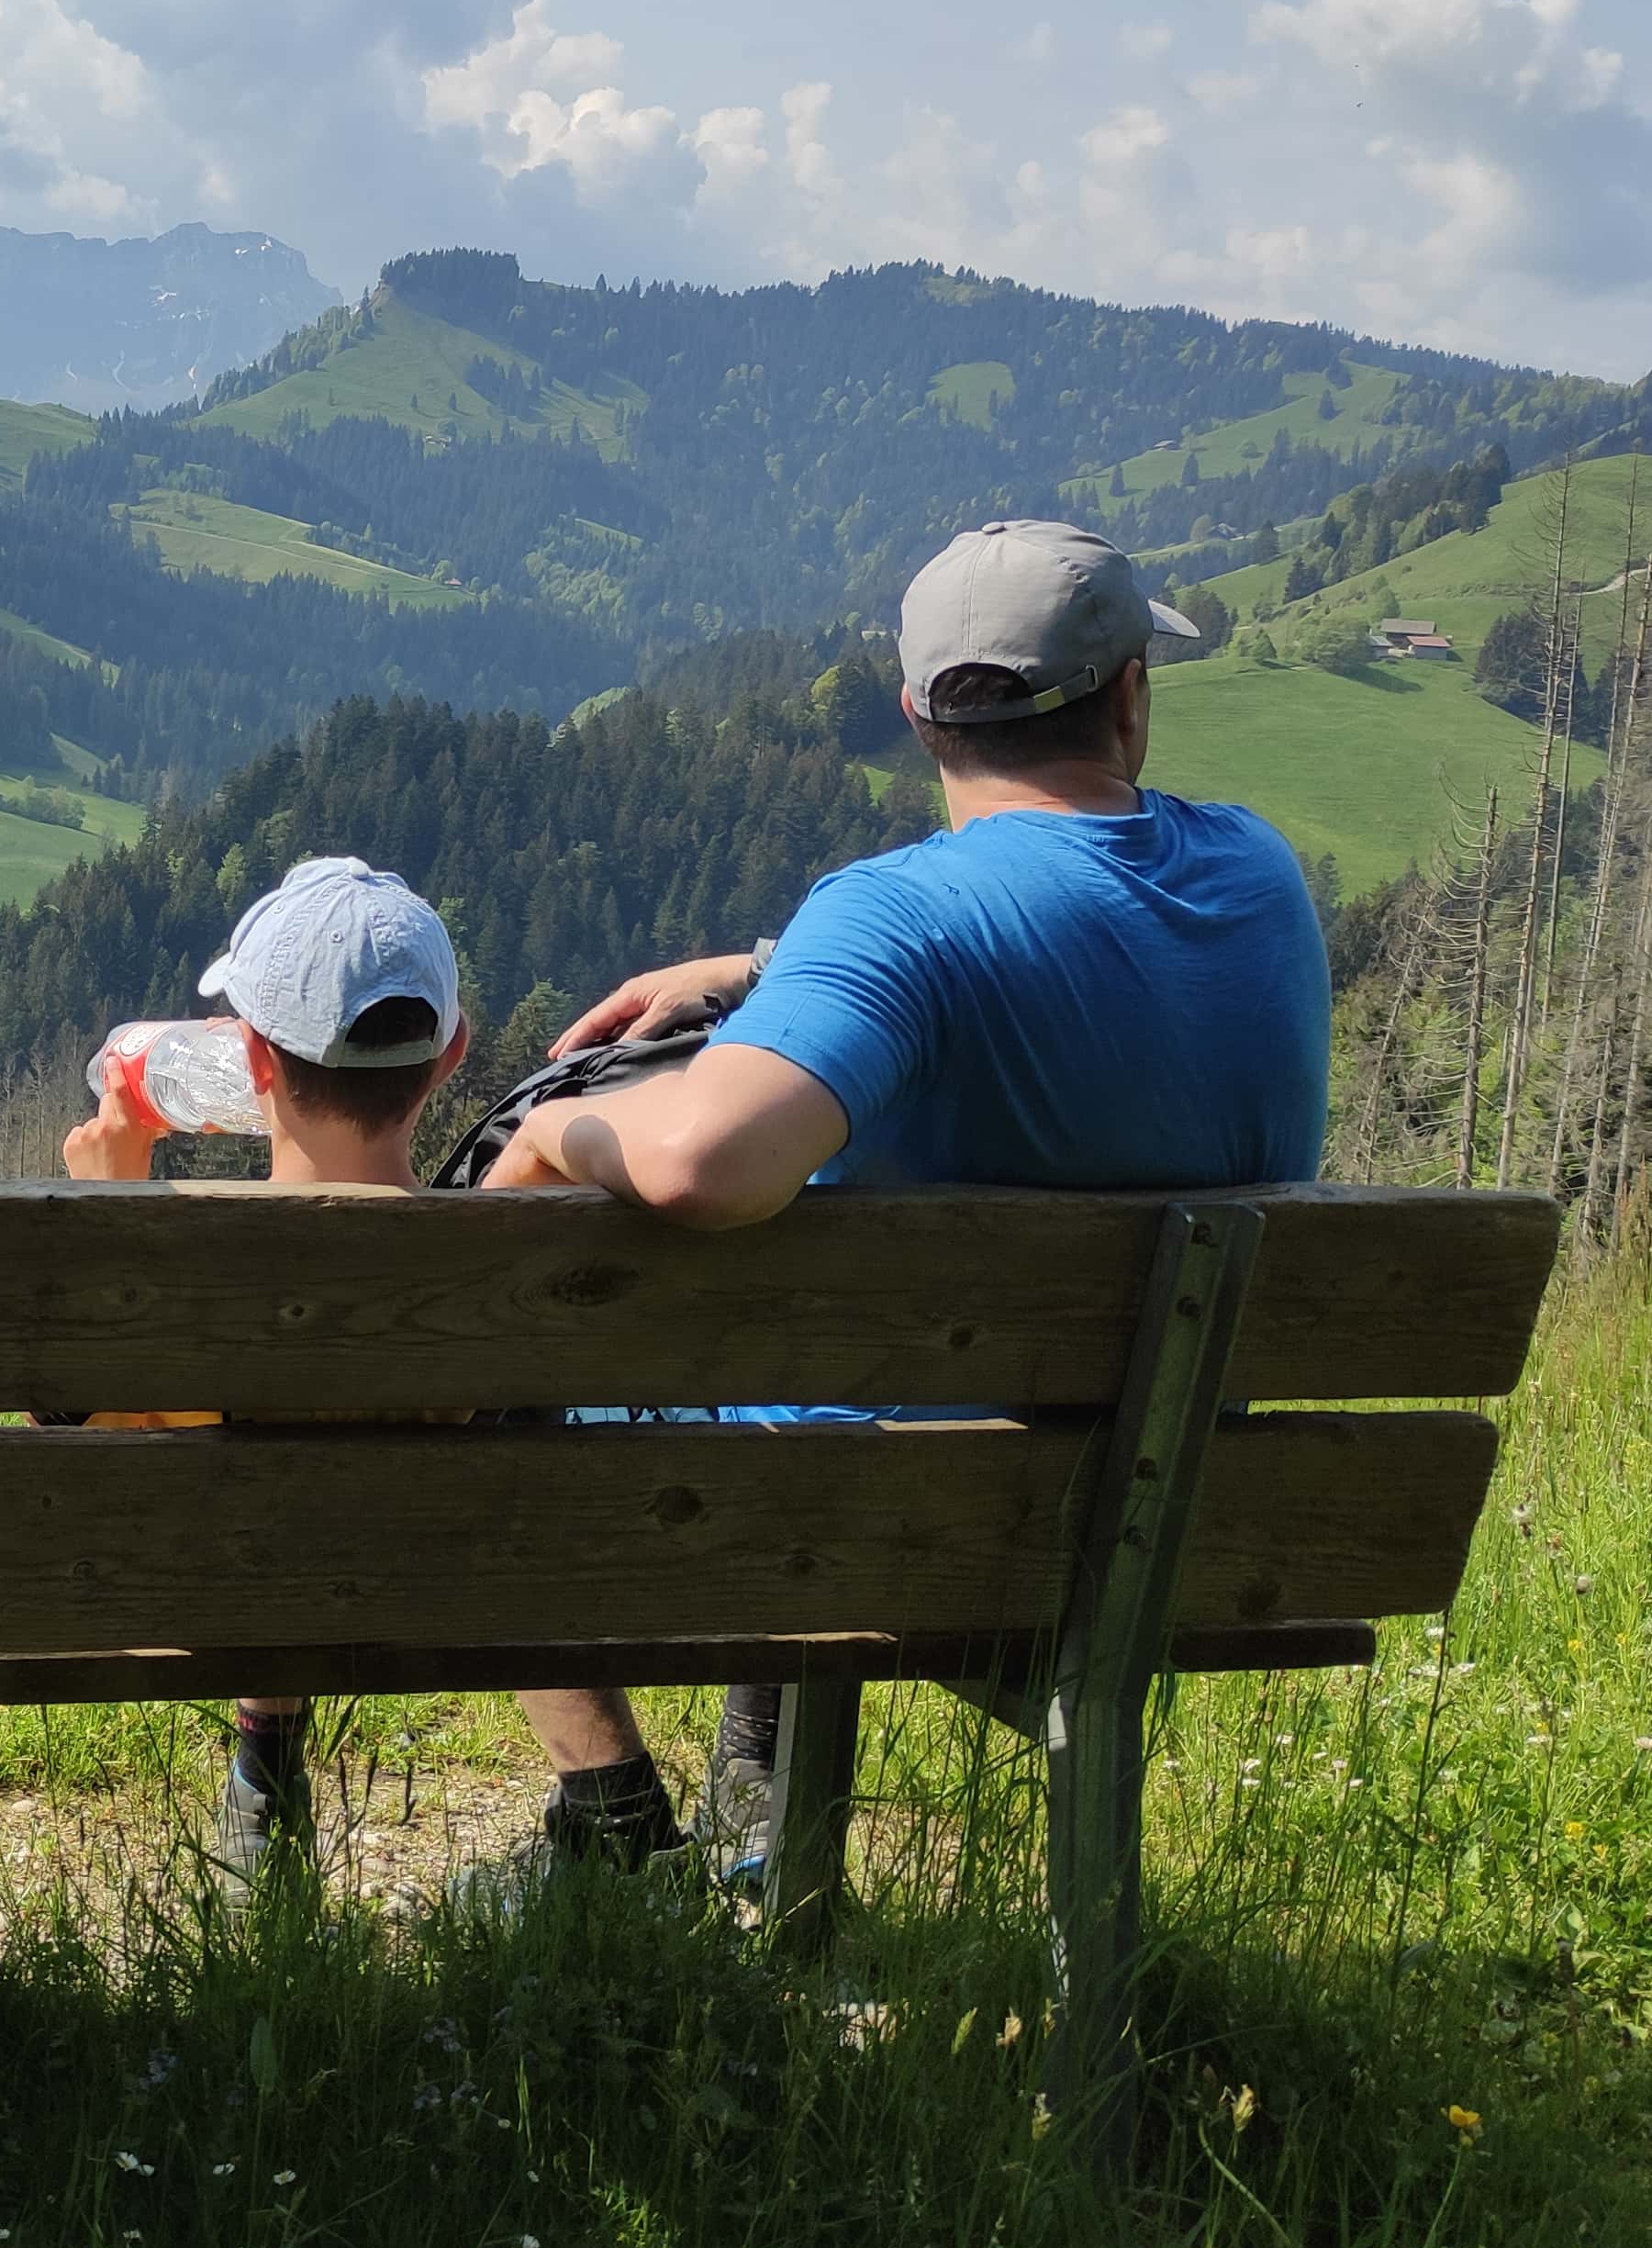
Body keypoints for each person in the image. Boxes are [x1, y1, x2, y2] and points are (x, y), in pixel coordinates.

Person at [484, 516, 1329, 1880]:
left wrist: (557, 1130)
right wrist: (769, 969)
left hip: (886, 1528)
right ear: (1129, 696)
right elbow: (1069, 926)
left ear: (917, 717)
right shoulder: (1260, 875)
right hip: (1177, 1521)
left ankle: (613, 1826)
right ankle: (757, 1776)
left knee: (509, 1354)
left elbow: (702, 1165)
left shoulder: (901, 918)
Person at [55, 856, 485, 1892]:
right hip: (431, 1585)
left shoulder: (195, 1279)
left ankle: (262, 1770)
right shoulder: (484, 1268)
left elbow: (82, 1455)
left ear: (247, 1055)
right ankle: (268, 1761)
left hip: (208, 1585)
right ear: (451, 1055)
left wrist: (113, 1210)